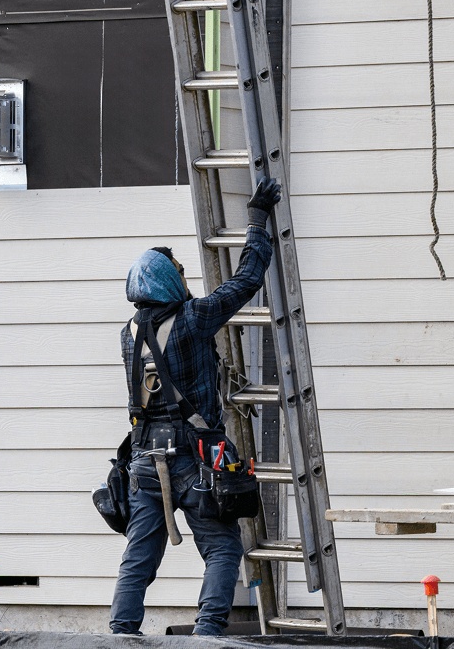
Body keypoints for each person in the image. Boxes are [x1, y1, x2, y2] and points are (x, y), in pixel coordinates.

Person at [108, 177, 282, 636]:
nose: (186, 279)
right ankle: (207, 637)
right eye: (181, 271)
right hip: (196, 460)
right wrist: (257, 219)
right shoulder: (192, 319)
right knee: (223, 550)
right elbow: (246, 281)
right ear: (168, 281)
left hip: (145, 462)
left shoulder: (128, 334)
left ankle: (121, 636)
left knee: (138, 558)